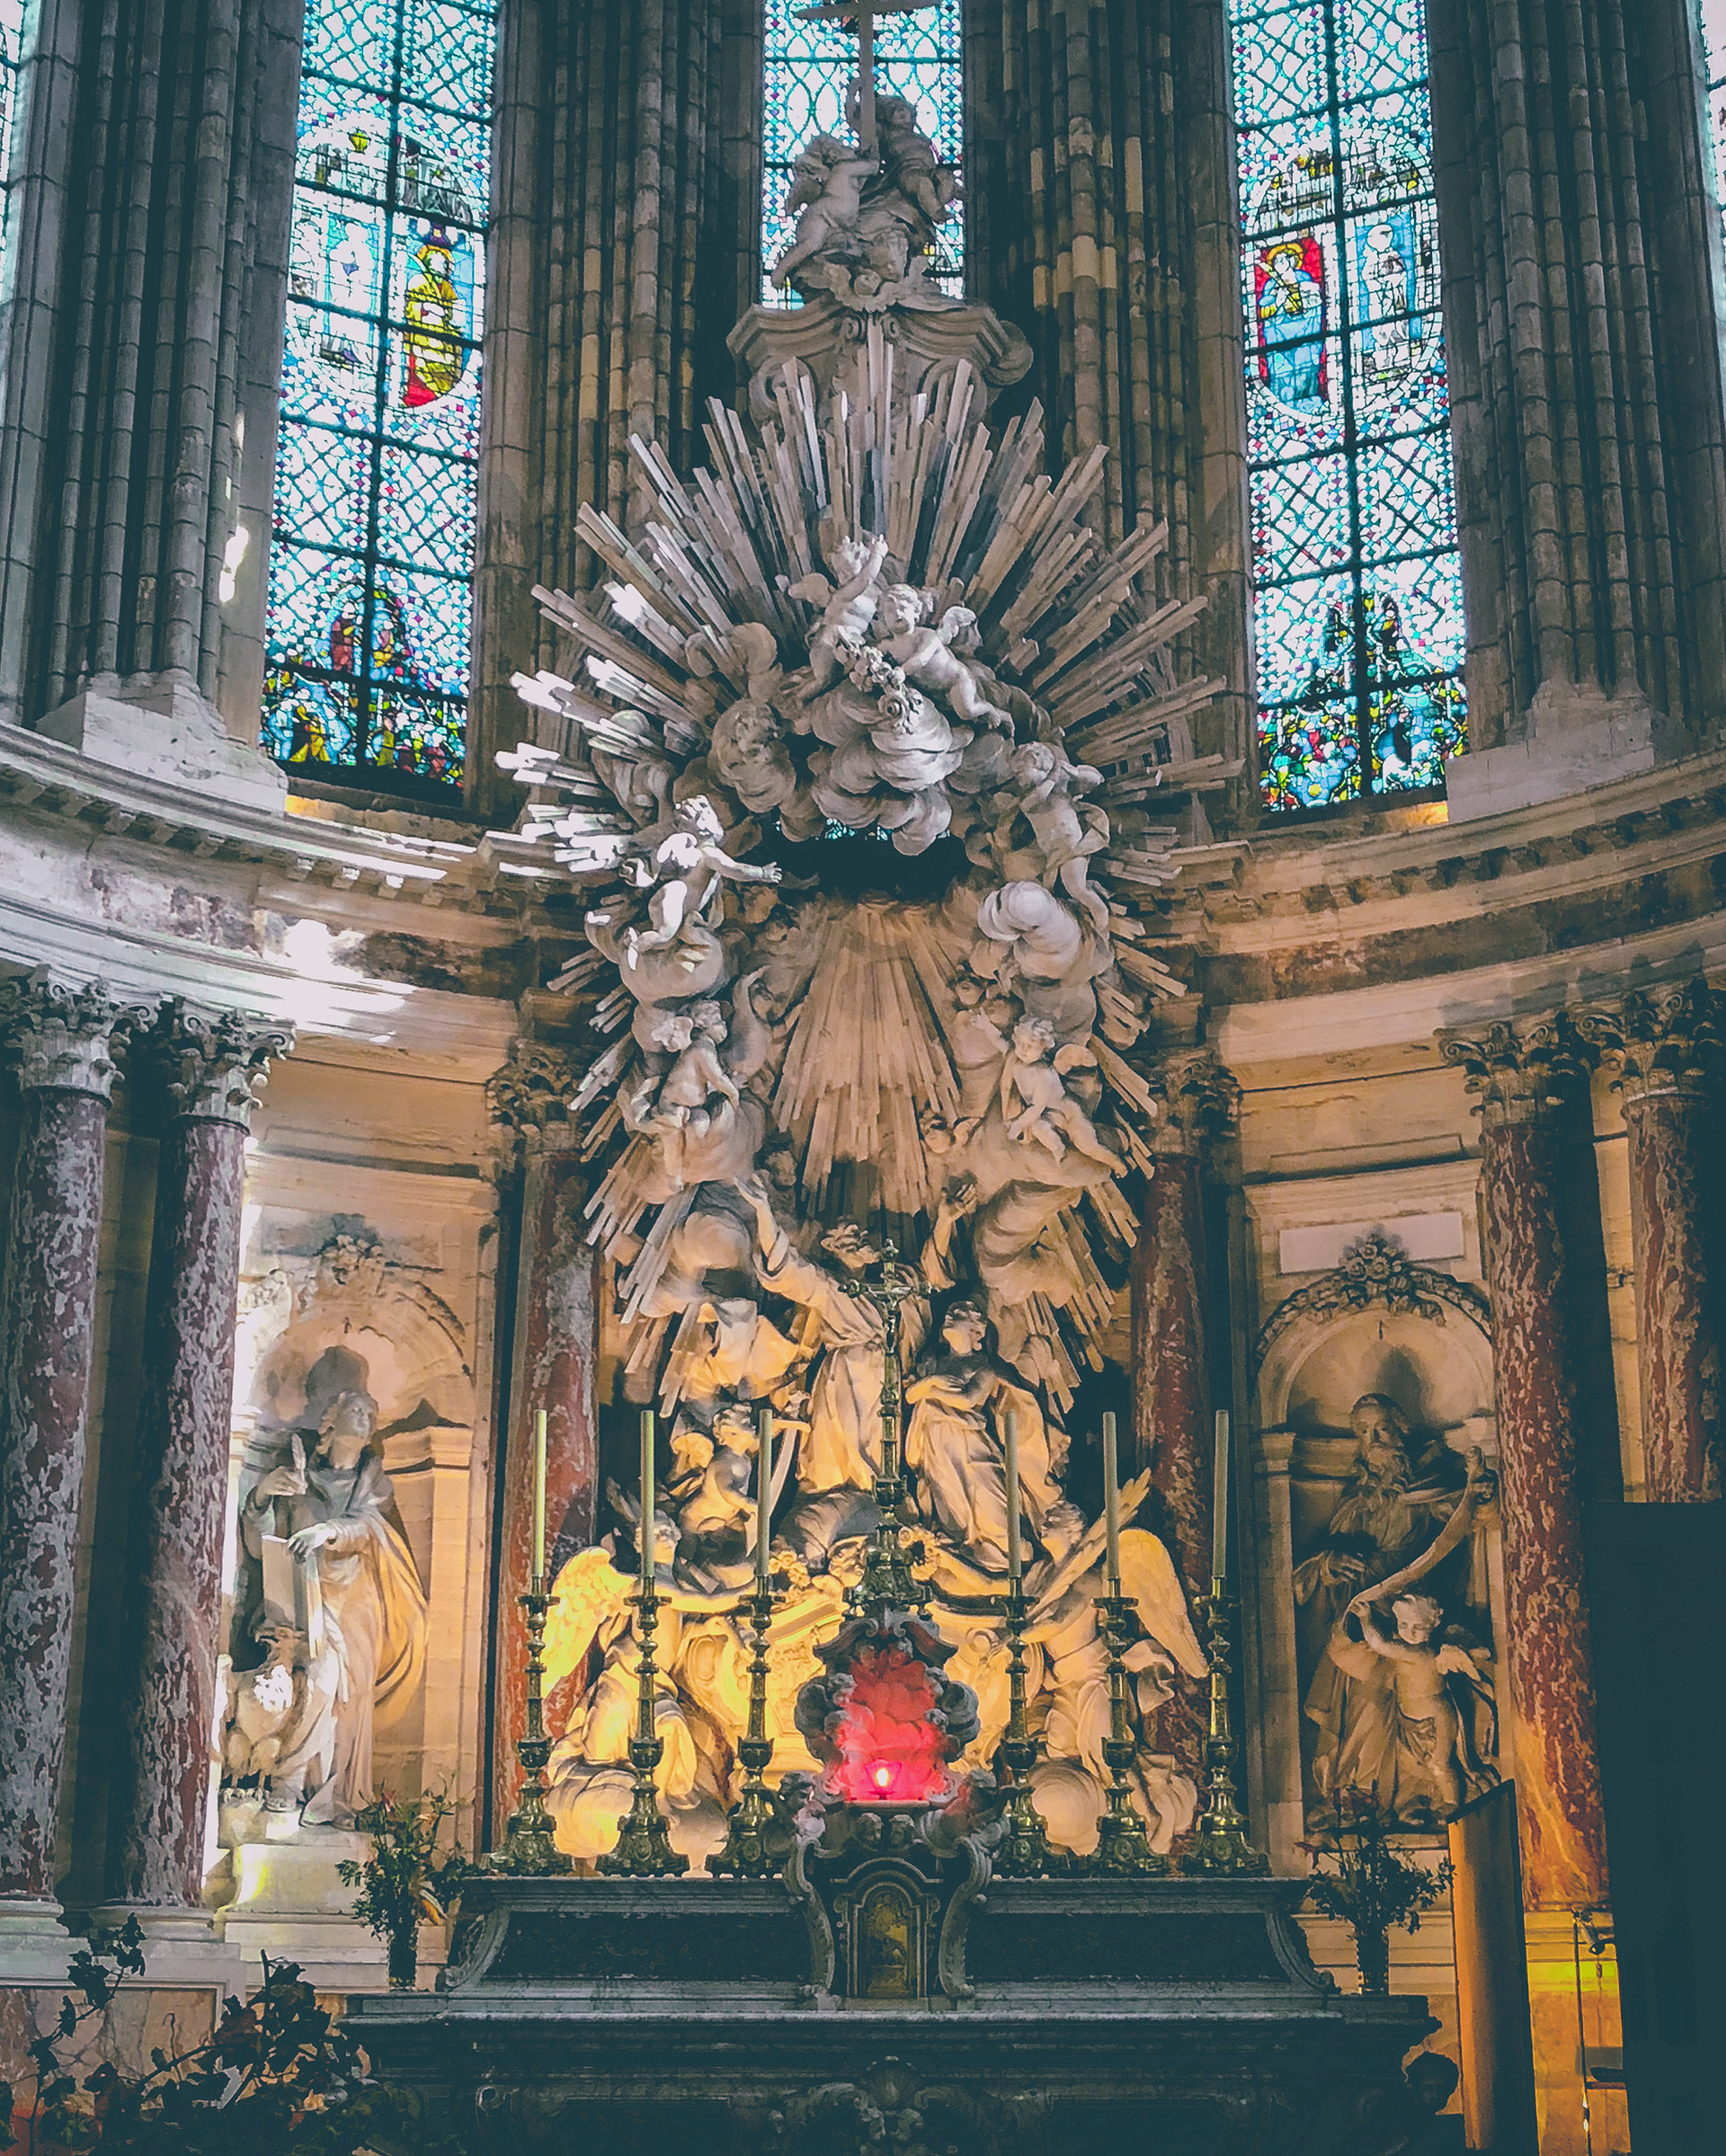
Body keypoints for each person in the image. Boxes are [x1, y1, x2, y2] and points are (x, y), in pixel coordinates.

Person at [236, 1388, 426, 1824]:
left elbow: (370, 1526)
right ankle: (290, 1781)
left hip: (356, 1604)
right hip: (300, 1599)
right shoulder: (298, 1478)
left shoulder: (373, 1481)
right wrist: (263, 1495)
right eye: (355, 1409)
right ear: (331, 1422)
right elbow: (262, 1546)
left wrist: (327, 1532)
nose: (365, 1417)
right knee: (313, 1683)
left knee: (342, 1695)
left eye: (371, 1412)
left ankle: (331, 1791)